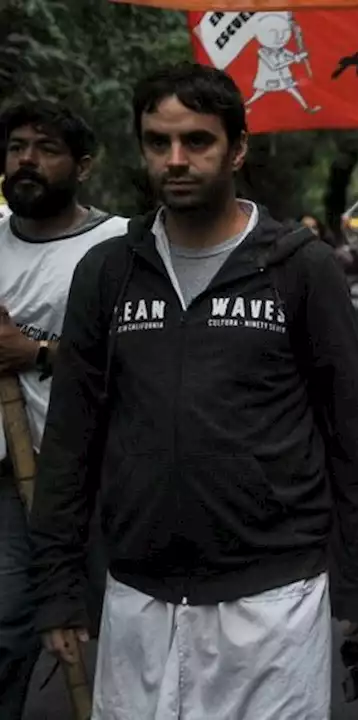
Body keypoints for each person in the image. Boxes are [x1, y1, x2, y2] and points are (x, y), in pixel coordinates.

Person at [27, 62, 358, 718]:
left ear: (238, 148)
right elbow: (70, 440)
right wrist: (56, 587)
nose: (175, 159)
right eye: (157, 142)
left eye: (197, 141)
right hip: (138, 598)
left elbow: (354, 435)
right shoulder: (108, 272)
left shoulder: (300, 267)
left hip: (275, 604)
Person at [0, 100, 127, 719]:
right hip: (10, 481)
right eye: (18, 145)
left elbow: (140, 359)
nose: (26, 159)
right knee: (7, 627)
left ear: (82, 166)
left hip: (101, 471)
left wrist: (38, 351)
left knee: (121, 625)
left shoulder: (119, 246)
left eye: (46, 149)